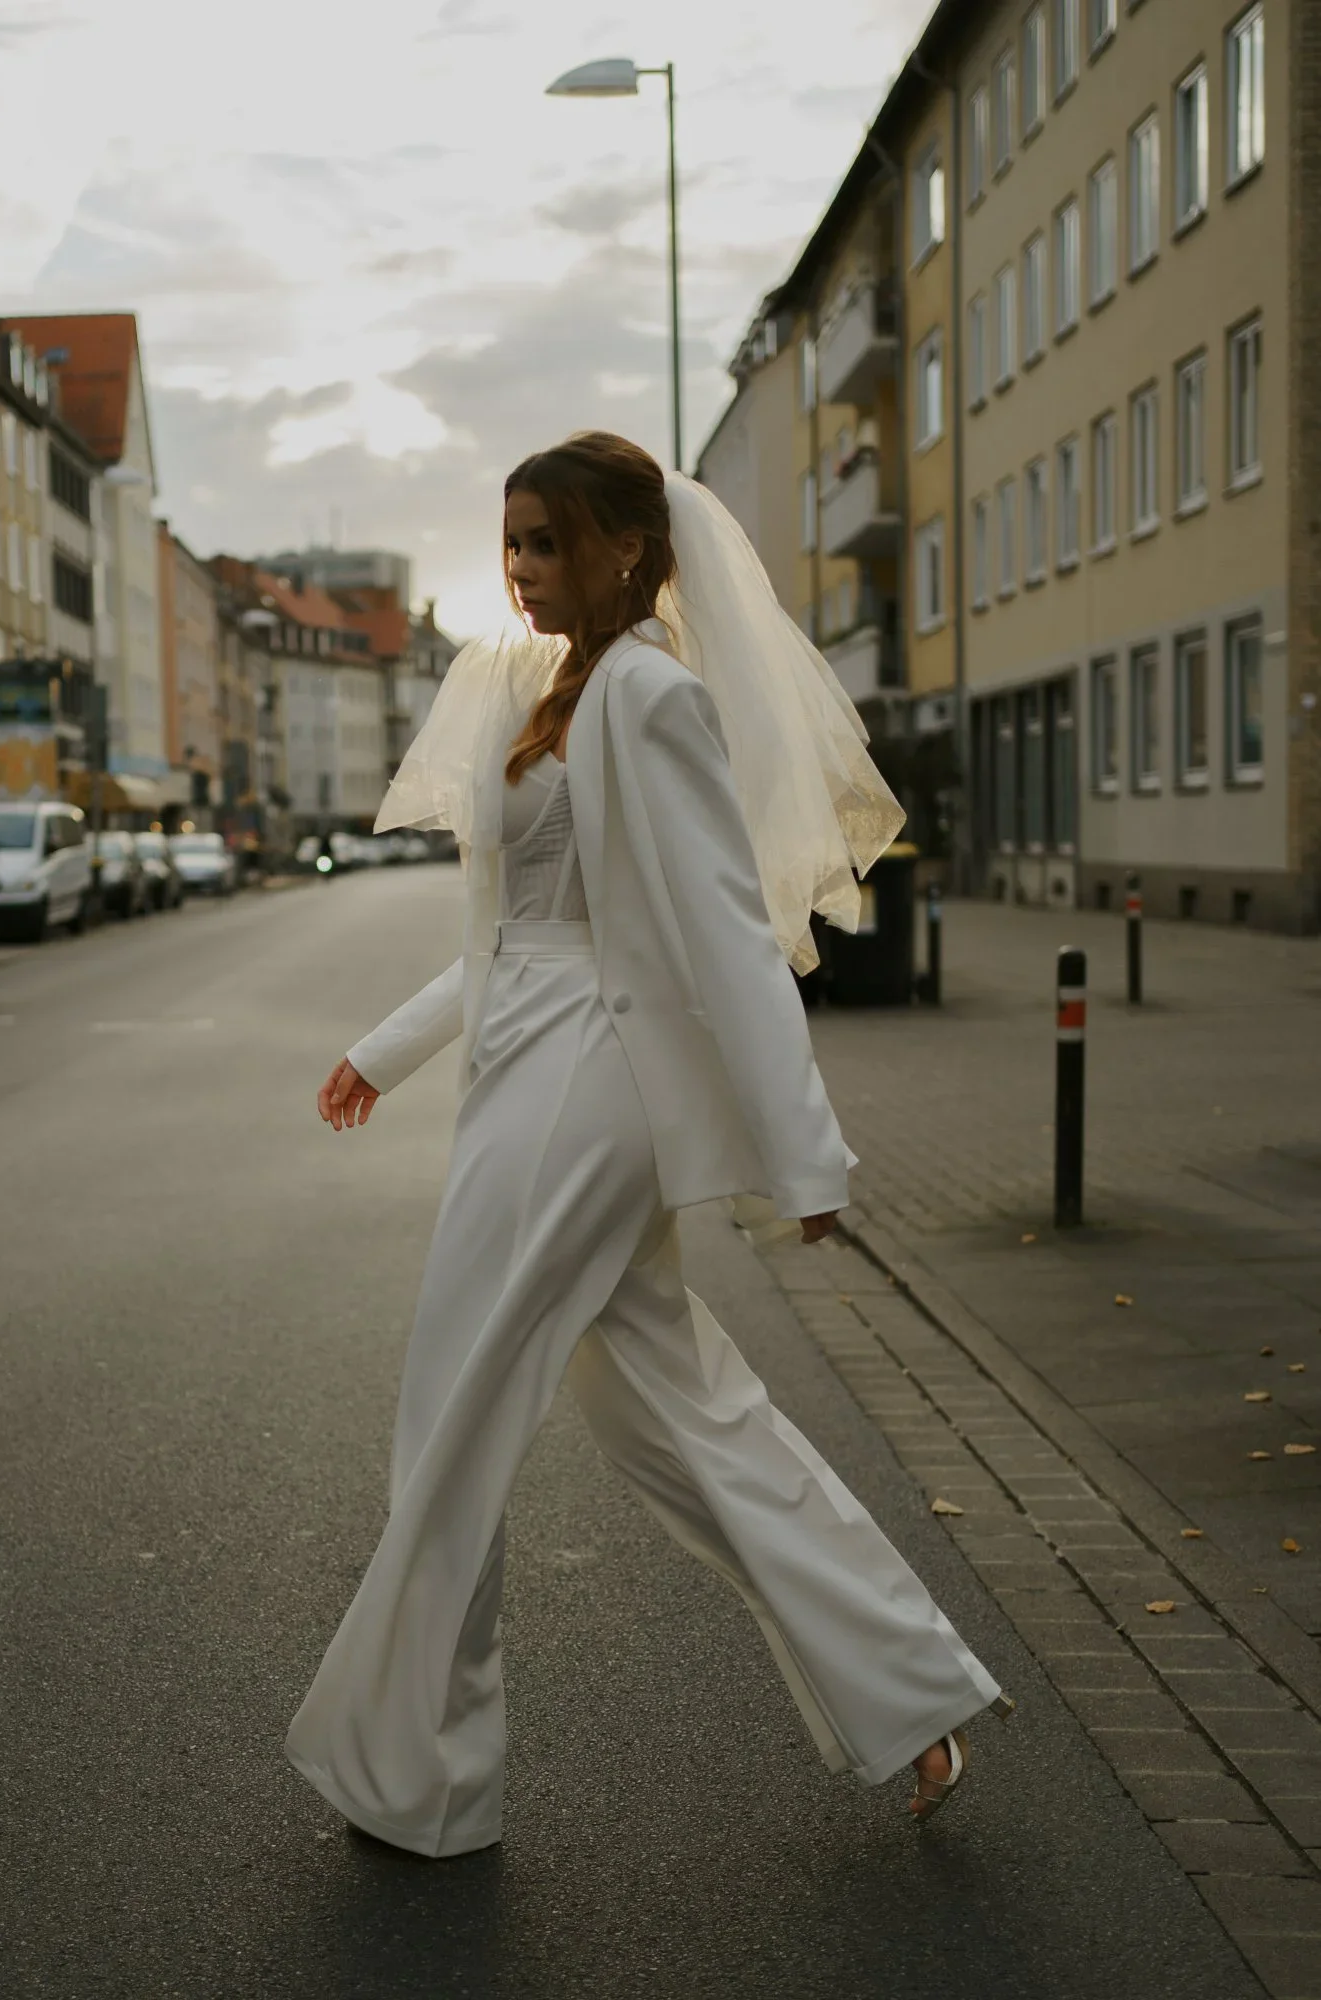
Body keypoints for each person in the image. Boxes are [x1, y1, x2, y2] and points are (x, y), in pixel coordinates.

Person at [287, 432, 1011, 1856]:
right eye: (511, 543)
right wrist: (385, 1049)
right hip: (525, 1065)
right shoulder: (536, 687)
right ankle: (913, 1689)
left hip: (591, 1085)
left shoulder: (654, 697)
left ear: (630, 545)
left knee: (455, 1398)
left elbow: (729, 944)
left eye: (547, 541)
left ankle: (421, 1770)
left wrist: (807, 1161)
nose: (521, 568)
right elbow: (509, 930)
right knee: (681, 1409)